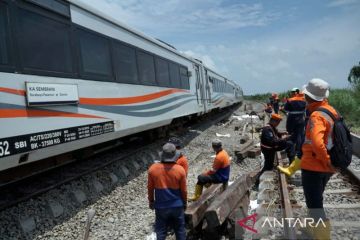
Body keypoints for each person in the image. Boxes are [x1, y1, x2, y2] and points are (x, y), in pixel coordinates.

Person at [299, 78, 335, 239]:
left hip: (314, 167)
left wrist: (325, 159)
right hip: (325, 168)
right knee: (315, 200)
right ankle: (311, 229)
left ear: (309, 97)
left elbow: (317, 142)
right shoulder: (331, 111)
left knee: (315, 205)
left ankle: (322, 236)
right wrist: (329, 162)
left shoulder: (316, 115)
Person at [148, 143, 187, 240]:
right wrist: (184, 203)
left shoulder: (153, 169)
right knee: (180, 230)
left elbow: (150, 188)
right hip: (177, 206)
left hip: (161, 207)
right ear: (175, 156)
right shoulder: (180, 170)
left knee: (160, 231)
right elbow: (184, 190)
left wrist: (151, 201)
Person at [255, 113, 295, 187]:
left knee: (290, 144)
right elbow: (272, 142)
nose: (278, 123)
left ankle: (292, 164)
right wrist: (284, 139)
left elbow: (275, 134)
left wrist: (282, 134)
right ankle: (257, 182)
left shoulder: (271, 127)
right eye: (277, 122)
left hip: (271, 148)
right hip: (268, 150)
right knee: (268, 166)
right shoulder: (267, 129)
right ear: (273, 121)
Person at [277, 87, 306, 175]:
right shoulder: (303, 100)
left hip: (292, 119)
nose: (292, 93)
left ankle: (291, 151)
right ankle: (298, 149)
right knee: (300, 135)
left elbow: (286, 109)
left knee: (291, 134)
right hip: (301, 119)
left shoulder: (290, 100)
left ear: (296, 92)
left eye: (293, 92)